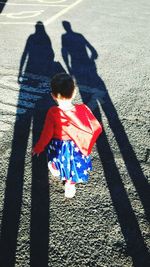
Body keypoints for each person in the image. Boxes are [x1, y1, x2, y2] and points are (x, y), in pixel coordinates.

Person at [32, 73, 102, 198]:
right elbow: (90, 125)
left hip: (59, 146)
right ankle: (70, 185)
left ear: (53, 96)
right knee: (73, 165)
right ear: (74, 93)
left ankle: (55, 167)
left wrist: (39, 147)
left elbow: (46, 134)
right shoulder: (82, 109)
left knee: (57, 159)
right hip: (77, 145)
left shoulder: (53, 113)